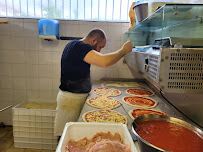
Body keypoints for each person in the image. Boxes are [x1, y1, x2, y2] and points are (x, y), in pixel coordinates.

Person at [54, 29, 132, 137]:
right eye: (100, 47)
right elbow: (104, 61)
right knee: (65, 137)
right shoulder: (80, 46)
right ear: (94, 40)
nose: (99, 51)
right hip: (71, 101)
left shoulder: (74, 45)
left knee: (72, 136)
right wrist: (123, 51)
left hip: (71, 99)